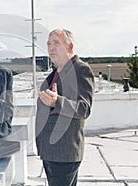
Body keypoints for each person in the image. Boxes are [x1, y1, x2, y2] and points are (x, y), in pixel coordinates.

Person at [35, 29, 95, 186]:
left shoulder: (80, 69)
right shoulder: (55, 72)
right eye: (49, 43)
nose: (51, 47)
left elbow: (84, 108)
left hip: (64, 152)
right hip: (51, 151)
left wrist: (57, 102)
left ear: (70, 46)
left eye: (56, 43)